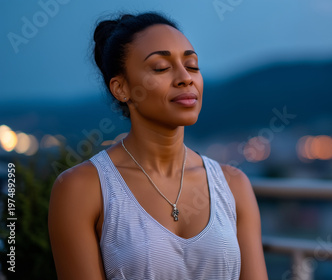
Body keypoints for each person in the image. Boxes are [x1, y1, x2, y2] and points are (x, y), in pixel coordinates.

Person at [48, 12, 268, 280]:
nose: (185, 77)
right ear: (121, 88)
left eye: (192, 65)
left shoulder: (233, 185)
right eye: (161, 68)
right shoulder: (82, 188)